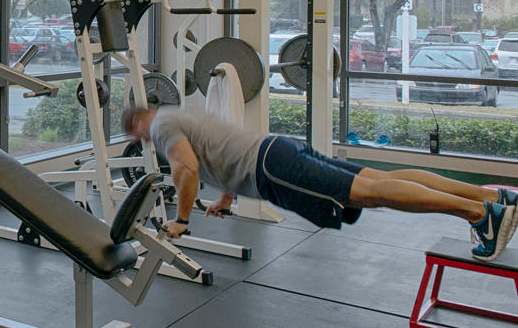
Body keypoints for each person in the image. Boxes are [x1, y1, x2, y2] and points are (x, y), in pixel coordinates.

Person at [121, 105, 518, 261]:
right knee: (381, 179)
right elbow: (220, 153)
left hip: (271, 168)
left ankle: (480, 213)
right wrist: (226, 197)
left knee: (374, 194)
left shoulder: (159, 127)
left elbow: (186, 169)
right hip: (278, 149)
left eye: (136, 135)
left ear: (138, 123)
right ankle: (488, 195)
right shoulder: (177, 114)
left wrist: (183, 219)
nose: (141, 140)